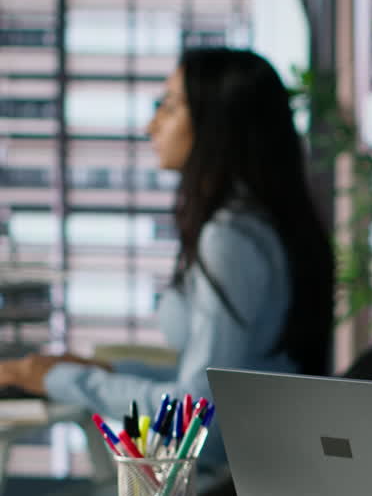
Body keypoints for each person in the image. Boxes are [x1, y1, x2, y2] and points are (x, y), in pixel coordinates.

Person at [0, 48, 335, 471]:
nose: (151, 124)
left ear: (216, 125)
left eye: (169, 107)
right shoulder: (265, 224)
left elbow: (196, 413)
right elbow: (217, 376)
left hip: (227, 477)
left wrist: (60, 379)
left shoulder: (229, 239)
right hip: (256, 463)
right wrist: (104, 367)